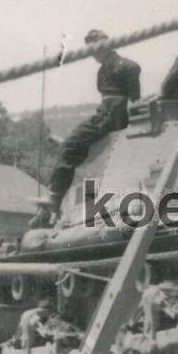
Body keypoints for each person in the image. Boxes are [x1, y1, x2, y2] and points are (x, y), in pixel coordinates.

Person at [31, 30, 141, 227]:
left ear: (106, 45)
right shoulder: (107, 65)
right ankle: (54, 200)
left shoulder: (116, 62)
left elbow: (132, 67)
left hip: (109, 114)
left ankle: (54, 198)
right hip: (109, 112)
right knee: (74, 149)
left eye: (95, 48)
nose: (94, 54)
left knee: (69, 147)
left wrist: (134, 100)